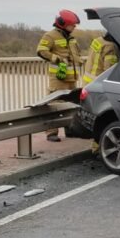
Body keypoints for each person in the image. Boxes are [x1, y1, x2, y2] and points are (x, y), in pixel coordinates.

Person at [37, 9, 82, 142]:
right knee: (54, 104)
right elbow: (41, 50)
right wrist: (55, 58)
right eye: (72, 25)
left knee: (71, 104)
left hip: (71, 78)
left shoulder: (71, 38)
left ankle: (70, 129)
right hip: (58, 77)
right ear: (63, 23)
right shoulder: (50, 36)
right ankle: (51, 133)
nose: (74, 27)